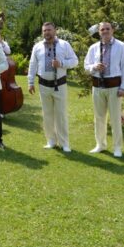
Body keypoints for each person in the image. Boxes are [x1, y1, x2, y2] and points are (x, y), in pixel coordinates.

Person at [27, 22, 78, 152]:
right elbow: (33, 64)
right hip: (43, 85)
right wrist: (30, 82)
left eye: (49, 30)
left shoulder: (64, 45)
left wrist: (61, 63)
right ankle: (51, 141)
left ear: (55, 30)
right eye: (44, 31)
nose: (47, 33)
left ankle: (64, 143)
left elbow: (75, 61)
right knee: (47, 115)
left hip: (60, 85)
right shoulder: (37, 47)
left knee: (61, 115)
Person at [83, 22, 124, 157]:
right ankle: (100, 145)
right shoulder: (93, 48)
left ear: (112, 30)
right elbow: (86, 66)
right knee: (99, 118)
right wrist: (94, 67)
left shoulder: (120, 46)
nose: (105, 31)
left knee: (115, 118)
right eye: (102, 29)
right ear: (99, 32)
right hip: (97, 86)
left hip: (114, 86)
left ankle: (117, 147)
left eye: (107, 29)